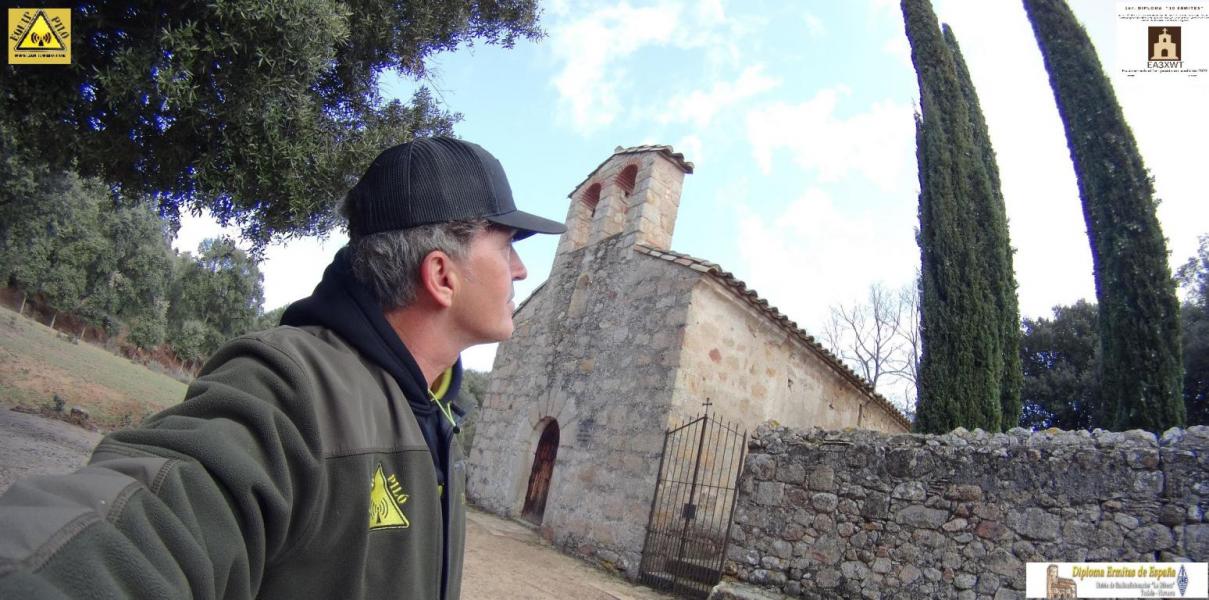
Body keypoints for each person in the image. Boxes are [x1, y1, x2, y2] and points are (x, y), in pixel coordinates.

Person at [0, 137, 566, 599]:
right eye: (507, 245)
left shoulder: (442, 410)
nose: (520, 269)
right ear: (441, 276)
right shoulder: (290, 385)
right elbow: (149, 519)